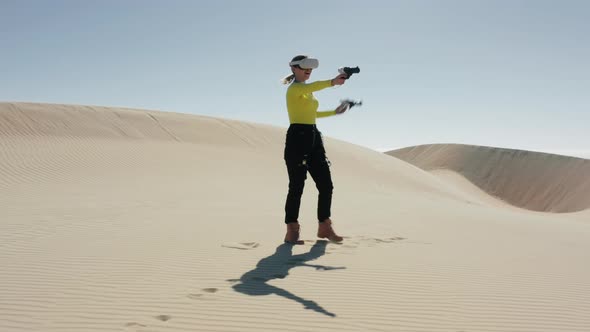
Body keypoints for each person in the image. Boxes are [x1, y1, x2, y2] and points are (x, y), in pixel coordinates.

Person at [281, 54, 349, 244]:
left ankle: (324, 226)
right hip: (297, 139)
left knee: (326, 185)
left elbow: (312, 113)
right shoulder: (294, 89)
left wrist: (334, 112)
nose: (308, 71)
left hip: (313, 137)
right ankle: (292, 231)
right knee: (297, 187)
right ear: (294, 69)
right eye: (304, 68)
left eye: (310, 69)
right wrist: (333, 82)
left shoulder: (308, 91)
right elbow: (314, 86)